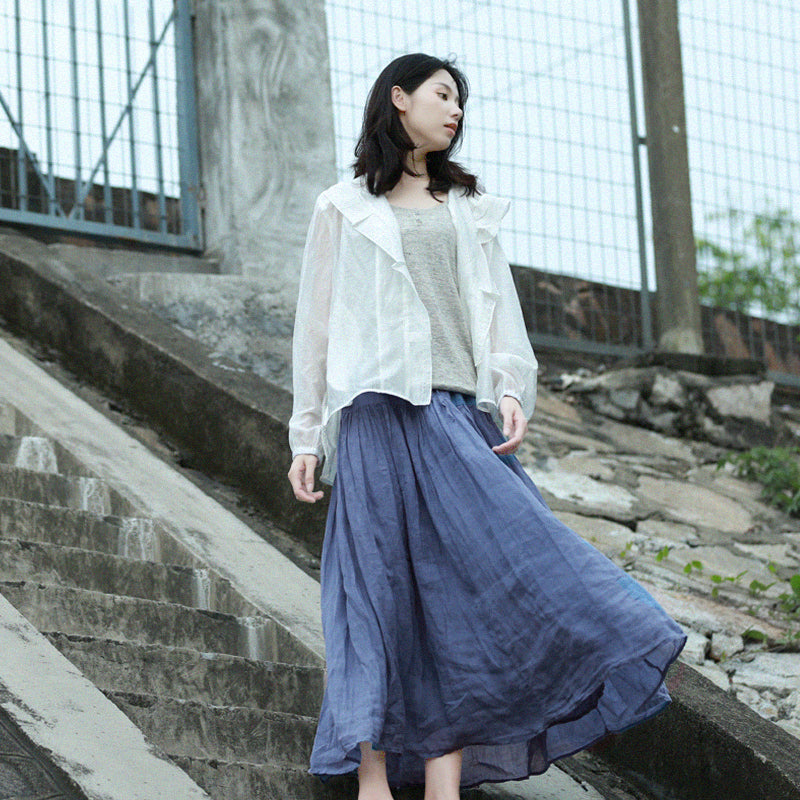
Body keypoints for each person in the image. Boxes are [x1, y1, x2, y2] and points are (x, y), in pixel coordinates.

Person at [287, 53, 687, 800]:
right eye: (443, 95)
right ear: (398, 99)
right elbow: (315, 329)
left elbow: (498, 309)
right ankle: (372, 778)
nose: (455, 111)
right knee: (374, 598)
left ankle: (445, 784)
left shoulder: (468, 207)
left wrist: (509, 389)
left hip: (451, 416)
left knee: (463, 591)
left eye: (460, 102)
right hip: (373, 418)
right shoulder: (341, 207)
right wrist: (305, 437)